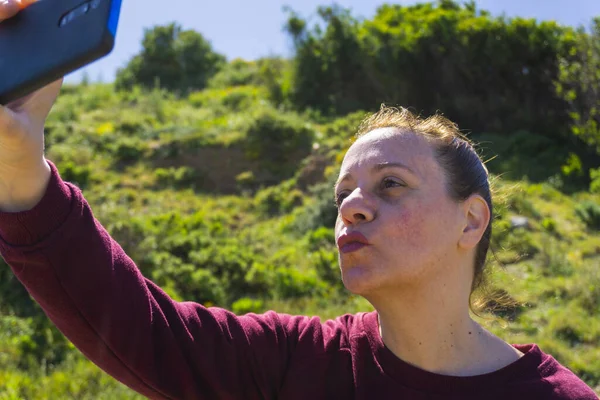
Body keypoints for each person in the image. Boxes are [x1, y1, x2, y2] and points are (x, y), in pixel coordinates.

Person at [0, 2, 597, 399]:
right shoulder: (297, 364)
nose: (352, 208)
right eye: (344, 194)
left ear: (472, 220)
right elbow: (140, 327)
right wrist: (21, 169)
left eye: (391, 184)